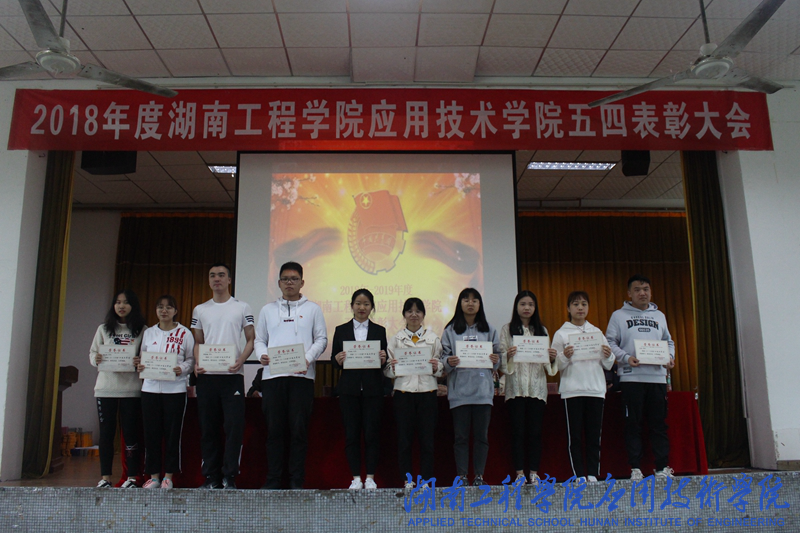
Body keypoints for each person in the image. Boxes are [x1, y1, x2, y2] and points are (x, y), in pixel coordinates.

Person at [255, 261, 328, 490]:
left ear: (302, 282)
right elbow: (259, 339)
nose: (289, 283)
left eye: (294, 279)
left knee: (298, 431)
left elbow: (321, 339)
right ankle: (273, 480)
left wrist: (307, 358)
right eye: (285, 279)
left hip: (301, 378)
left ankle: (297, 480)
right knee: (274, 431)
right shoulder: (267, 310)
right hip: (272, 377)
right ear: (279, 283)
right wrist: (262, 354)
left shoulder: (313, 309)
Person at [191, 263, 255, 489]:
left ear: (229, 279)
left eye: (221, 275)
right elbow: (198, 342)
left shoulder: (242, 307)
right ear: (209, 280)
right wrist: (198, 362)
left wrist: (241, 360)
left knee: (234, 428)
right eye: (212, 275)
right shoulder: (200, 309)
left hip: (232, 376)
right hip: (207, 377)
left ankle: (229, 476)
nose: (216, 279)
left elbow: (251, 339)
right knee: (208, 428)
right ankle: (211, 477)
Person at [606, 274, 676, 481]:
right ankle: (635, 468)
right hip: (631, 378)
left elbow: (668, 341)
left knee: (658, 425)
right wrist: (626, 358)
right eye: (637, 290)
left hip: (657, 378)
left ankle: (662, 467)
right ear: (629, 293)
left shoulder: (659, 316)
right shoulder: (618, 315)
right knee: (633, 424)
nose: (642, 293)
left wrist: (670, 357)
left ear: (651, 292)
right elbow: (610, 342)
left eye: (645, 289)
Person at [552, 291, 615, 483]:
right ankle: (579, 474)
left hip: (595, 389)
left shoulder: (597, 332)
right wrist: (564, 356)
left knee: (594, 435)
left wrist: (608, 355)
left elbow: (609, 364)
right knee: (575, 437)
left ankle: (593, 474)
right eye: (576, 304)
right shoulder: (561, 334)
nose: (580, 308)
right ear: (568, 308)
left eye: (584, 304)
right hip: (572, 390)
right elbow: (555, 366)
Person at [441, 288, 500, 487]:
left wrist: (495, 360)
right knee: (461, 437)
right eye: (466, 299)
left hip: (483, 392)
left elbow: (498, 357)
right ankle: (462, 476)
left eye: (475, 300)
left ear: (479, 304)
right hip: (459, 392)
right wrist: (448, 361)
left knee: (481, 437)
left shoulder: (489, 329)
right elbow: (443, 359)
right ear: (460, 303)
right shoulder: (450, 330)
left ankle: (479, 476)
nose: (470, 303)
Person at [330, 289, 388, 490]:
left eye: (366, 304)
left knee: (372, 434)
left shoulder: (380, 330)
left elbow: (384, 360)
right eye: (358, 303)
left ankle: (370, 477)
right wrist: (337, 359)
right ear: (351, 305)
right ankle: (355, 477)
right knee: (351, 435)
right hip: (349, 390)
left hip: (373, 390)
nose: (362, 307)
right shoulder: (341, 330)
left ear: (372, 307)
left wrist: (384, 358)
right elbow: (334, 360)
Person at [135, 295, 194, 490]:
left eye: (169, 307)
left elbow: (191, 359)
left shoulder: (184, 333)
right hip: (150, 389)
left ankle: (168, 476)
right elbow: (142, 357)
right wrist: (140, 365)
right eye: (160, 307)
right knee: (151, 434)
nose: (164, 311)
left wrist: (182, 369)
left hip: (175, 390)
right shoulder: (149, 333)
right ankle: (154, 476)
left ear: (175, 311)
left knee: (172, 434)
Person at [499, 291, 557, 485]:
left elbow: (548, 366)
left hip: (536, 389)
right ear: (516, 306)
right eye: (523, 304)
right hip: (515, 388)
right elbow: (502, 361)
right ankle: (519, 473)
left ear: (535, 307)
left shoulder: (542, 330)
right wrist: (507, 355)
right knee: (517, 432)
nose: (526, 308)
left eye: (530, 304)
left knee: (535, 433)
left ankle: (533, 472)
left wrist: (552, 357)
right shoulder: (507, 329)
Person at [89, 289, 146, 488]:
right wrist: (96, 359)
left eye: (126, 302)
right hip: (106, 388)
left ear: (133, 306)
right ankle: (105, 477)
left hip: (131, 389)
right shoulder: (103, 329)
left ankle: (131, 477)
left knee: (130, 432)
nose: (121, 306)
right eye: (118, 302)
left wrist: (141, 361)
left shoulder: (142, 330)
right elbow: (93, 353)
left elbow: (147, 356)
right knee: (106, 434)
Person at [385, 297, 443, 490]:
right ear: (404, 314)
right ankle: (407, 480)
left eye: (418, 311)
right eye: (410, 311)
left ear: (424, 314)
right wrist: (392, 368)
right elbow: (386, 369)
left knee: (427, 441)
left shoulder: (433, 338)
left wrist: (436, 367)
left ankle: (426, 480)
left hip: (427, 392)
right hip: (403, 393)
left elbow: (441, 366)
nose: (414, 315)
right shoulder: (396, 339)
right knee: (404, 441)